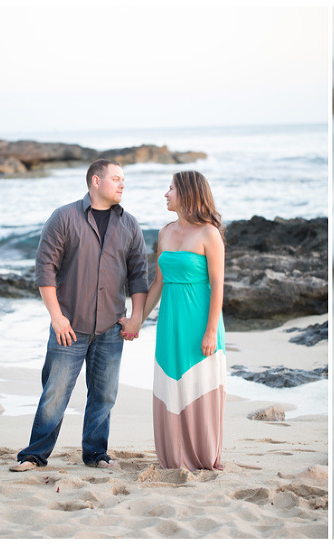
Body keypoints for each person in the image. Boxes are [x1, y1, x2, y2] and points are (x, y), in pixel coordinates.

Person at [11, 159, 149, 471]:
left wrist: (136, 316)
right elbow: (45, 268)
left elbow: (139, 275)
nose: (122, 184)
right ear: (96, 181)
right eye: (116, 178)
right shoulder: (64, 217)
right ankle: (34, 455)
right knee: (55, 394)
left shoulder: (130, 225)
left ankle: (96, 454)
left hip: (112, 327)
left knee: (104, 396)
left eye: (123, 179)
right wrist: (57, 318)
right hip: (69, 326)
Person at [124, 170, 226, 470]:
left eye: (170, 188)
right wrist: (137, 320)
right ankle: (174, 456)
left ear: (187, 193)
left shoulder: (209, 233)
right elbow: (157, 282)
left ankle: (203, 456)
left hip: (200, 321)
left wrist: (210, 332)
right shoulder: (165, 232)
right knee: (170, 383)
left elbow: (218, 285)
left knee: (200, 385)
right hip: (170, 321)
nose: (166, 194)